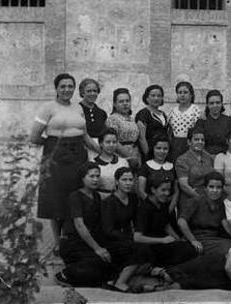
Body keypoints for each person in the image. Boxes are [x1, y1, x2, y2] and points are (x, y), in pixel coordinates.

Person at [30, 73, 100, 253]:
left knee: (76, 194)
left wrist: (102, 151)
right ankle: (58, 241)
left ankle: (73, 237)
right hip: (56, 158)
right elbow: (34, 136)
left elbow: (84, 135)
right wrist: (54, 147)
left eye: (70, 86)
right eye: (63, 86)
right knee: (57, 197)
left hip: (78, 155)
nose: (67, 90)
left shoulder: (78, 108)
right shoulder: (48, 107)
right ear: (56, 88)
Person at [56, 162, 139, 290]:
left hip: (88, 242)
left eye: (97, 176)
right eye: (91, 176)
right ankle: (65, 275)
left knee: (111, 259)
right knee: (97, 263)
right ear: (82, 178)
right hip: (73, 243)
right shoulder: (75, 196)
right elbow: (79, 225)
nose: (95, 179)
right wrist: (97, 248)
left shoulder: (96, 196)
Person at [101, 167, 176, 292]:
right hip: (112, 240)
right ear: (117, 182)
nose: (128, 183)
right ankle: (120, 282)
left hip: (128, 238)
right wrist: (131, 237)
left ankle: (143, 276)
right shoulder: (109, 202)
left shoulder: (133, 198)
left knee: (148, 247)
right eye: (124, 179)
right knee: (140, 248)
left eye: (130, 180)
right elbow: (108, 230)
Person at [167, 172, 231, 290]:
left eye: (218, 187)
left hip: (214, 238)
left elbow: (225, 224)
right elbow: (181, 222)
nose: (215, 190)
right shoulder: (196, 200)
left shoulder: (221, 203)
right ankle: (178, 273)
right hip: (197, 237)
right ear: (205, 188)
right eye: (211, 187)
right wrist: (193, 240)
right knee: (223, 252)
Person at [135, 176, 197, 266]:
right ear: (153, 190)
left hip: (164, 240)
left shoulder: (162, 204)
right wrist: (162, 240)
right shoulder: (144, 209)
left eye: (168, 190)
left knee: (189, 248)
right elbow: (137, 238)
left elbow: (166, 226)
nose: (167, 193)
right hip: (151, 244)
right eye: (163, 190)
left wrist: (178, 240)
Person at [106, 88, 146, 169]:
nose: (125, 104)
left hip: (136, 155)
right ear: (114, 104)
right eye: (121, 101)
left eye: (127, 101)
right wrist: (129, 156)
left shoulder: (133, 119)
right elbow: (114, 141)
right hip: (121, 155)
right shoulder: (112, 119)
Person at [138, 134, 179, 213]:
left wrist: (170, 208)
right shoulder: (145, 167)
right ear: (153, 148)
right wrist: (154, 207)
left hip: (169, 209)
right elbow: (141, 191)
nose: (162, 151)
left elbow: (176, 191)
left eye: (165, 149)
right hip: (149, 210)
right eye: (158, 148)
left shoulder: (173, 166)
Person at [175, 127, 214, 208]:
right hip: (190, 197)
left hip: (209, 196)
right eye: (196, 139)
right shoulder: (182, 160)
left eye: (202, 140)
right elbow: (184, 185)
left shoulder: (208, 157)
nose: (200, 142)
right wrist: (200, 199)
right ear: (189, 142)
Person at [195, 90, 231, 155]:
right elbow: (197, 143)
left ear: (222, 104)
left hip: (225, 156)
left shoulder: (229, 121)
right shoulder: (201, 121)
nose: (215, 105)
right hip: (205, 156)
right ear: (207, 105)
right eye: (211, 103)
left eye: (218, 102)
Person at [168, 81, 202, 161]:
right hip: (175, 145)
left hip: (190, 144)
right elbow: (169, 130)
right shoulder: (172, 111)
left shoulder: (196, 110)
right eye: (180, 92)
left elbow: (199, 129)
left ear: (191, 95)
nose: (182, 95)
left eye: (185, 92)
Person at [93, 128, 129, 199]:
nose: (111, 145)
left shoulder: (123, 162)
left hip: (120, 199)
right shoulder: (93, 163)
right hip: (100, 200)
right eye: (108, 142)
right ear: (101, 143)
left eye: (114, 142)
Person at [136, 85, 169, 159]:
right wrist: (148, 155)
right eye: (153, 96)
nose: (156, 98)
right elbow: (142, 138)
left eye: (159, 96)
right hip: (149, 154)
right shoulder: (143, 114)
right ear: (147, 98)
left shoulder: (163, 114)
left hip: (162, 152)